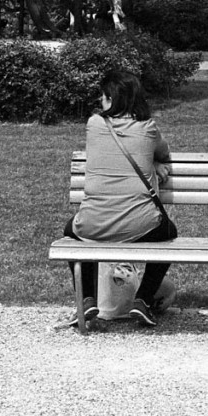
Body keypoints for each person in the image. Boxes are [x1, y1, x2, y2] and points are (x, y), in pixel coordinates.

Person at [62, 70, 177, 328]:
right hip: (140, 226)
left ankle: (87, 299)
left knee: (72, 232)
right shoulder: (148, 128)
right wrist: (155, 161)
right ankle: (143, 301)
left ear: (112, 100)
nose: (100, 103)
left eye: (103, 97)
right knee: (169, 233)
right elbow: (164, 152)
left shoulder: (94, 124)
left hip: (94, 224)